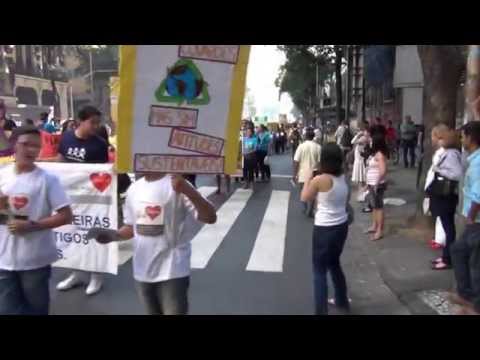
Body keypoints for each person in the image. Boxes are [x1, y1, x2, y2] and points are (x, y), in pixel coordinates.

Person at [93, 173, 216, 315]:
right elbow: (131, 227)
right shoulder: (134, 188)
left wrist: (189, 191)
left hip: (172, 270)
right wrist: (113, 236)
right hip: (142, 271)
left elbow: (210, 217)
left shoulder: (177, 184)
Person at [0, 126, 73, 315]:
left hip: (35, 261)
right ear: (14, 145)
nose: (31, 150)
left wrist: (32, 225)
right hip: (3, 259)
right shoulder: (2, 175)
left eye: (36, 146)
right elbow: (3, 214)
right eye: (26, 144)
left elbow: (66, 215)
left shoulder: (48, 180)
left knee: (36, 311)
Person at [56, 106, 109, 296]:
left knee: (92, 235)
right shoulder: (67, 138)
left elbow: (103, 171)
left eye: (98, 122)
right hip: (69, 196)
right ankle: (76, 273)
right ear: (80, 121)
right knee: (72, 234)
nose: (95, 126)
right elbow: (60, 160)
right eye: (92, 122)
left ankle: (96, 276)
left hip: (92, 197)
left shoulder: (100, 144)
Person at [301, 143, 350, 315]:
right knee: (334, 264)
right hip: (341, 226)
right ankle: (342, 301)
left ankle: (321, 311)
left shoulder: (321, 180)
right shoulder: (342, 177)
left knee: (319, 270)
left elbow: (305, 196)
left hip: (324, 229)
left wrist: (308, 176)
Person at [450, 121, 480, 315]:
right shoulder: (474, 158)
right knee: (458, 251)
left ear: (471, 138)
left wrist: (470, 217)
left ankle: (476, 305)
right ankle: (466, 295)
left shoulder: (478, 164)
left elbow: (478, 195)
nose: (461, 140)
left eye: (463, 136)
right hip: (473, 221)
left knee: (476, 265)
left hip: (476, 222)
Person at [425, 125, 462, 270]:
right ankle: (446, 256)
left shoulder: (451, 154)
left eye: (435, 136)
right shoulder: (447, 152)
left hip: (446, 196)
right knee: (447, 227)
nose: (433, 139)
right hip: (442, 195)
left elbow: (457, 174)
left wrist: (438, 169)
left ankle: (448, 259)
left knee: (449, 228)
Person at [365, 133, 388, 241]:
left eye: (372, 141)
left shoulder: (380, 155)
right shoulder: (374, 154)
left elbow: (383, 171)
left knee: (378, 207)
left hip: (377, 185)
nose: (370, 142)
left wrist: (377, 183)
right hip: (371, 183)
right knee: (374, 206)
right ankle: (374, 225)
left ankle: (379, 230)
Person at [293, 127, 322, 217]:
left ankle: (305, 207)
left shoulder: (301, 146)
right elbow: (320, 162)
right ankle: (310, 209)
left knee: (302, 191)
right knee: (313, 192)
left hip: (303, 173)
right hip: (314, 172)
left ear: (305, 136)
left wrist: (294, 174)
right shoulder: (318, 147)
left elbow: (296, 161)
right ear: (313, 136)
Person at [351, 121, 370, 200]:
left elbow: (352, 142)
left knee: (361, 180)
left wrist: (357, 135)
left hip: (360, 160)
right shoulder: (365, 137)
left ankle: (363, 195)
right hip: (359, 159)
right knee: (361, 180)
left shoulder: (363, 138)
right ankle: (362, 195)